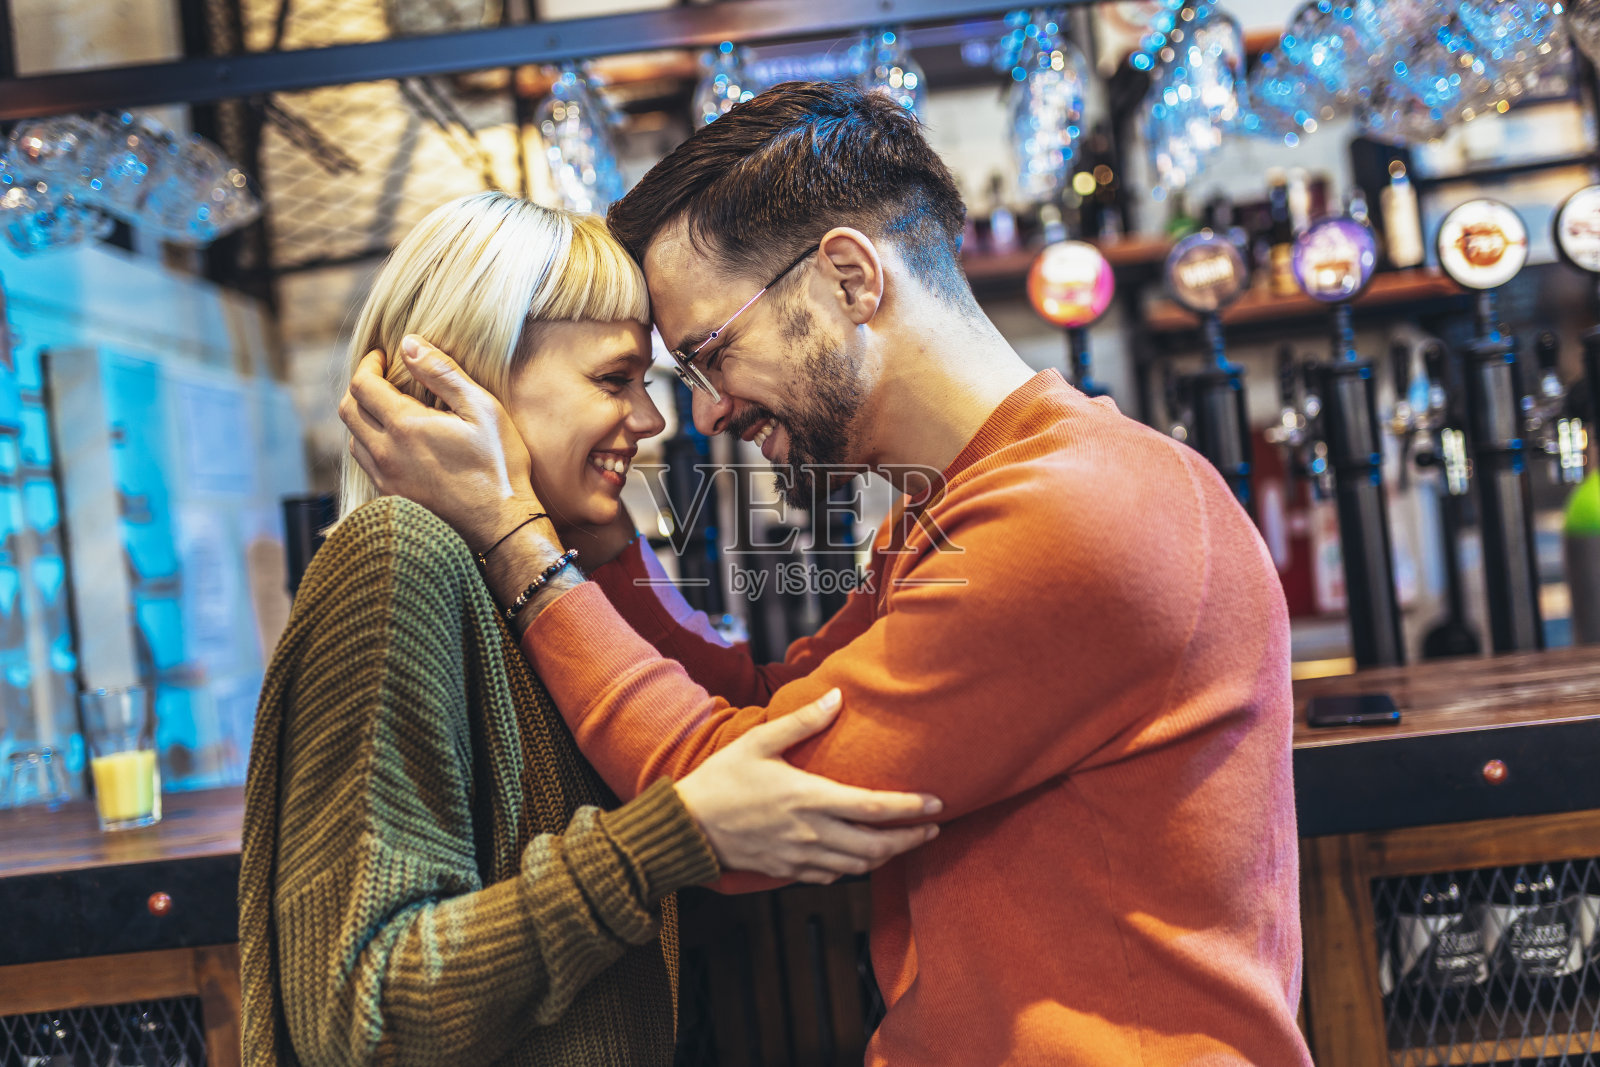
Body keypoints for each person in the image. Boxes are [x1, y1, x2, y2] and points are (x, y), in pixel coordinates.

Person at [341, 84, 1314, 1065]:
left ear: (849, 277)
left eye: (710, 354)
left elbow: (737, 794)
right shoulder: (979, 498)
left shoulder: (1075, 513)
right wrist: (596, 544)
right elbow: (768, 705)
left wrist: (516, 541)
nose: (704, 413)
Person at [240, 192, 941, 1067]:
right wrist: (662, 843)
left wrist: (593, 538)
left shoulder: (515, 581)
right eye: (616, 381)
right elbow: (363, 1014)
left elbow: (730, 708)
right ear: (460, 383)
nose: (651, 422)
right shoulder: (399, 556)